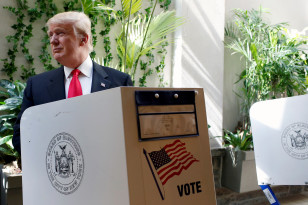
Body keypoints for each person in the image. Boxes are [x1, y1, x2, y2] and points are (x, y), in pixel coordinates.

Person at [12, 11, 133, 154]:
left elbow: (130, 134)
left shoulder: (119, 82)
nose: (53, 41)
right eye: (51, 35)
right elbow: (21, 137)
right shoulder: (36, 85)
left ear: (83, 39)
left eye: (60, 33)